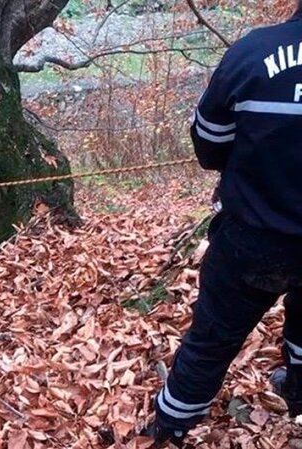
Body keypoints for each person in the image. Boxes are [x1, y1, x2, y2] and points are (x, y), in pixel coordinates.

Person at [145, 6, 302, 447]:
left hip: (252, 238)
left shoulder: (253, 52)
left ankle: (170, 428)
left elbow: (210, 146)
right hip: (259, 234)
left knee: (212, 339)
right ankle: (298, 392)